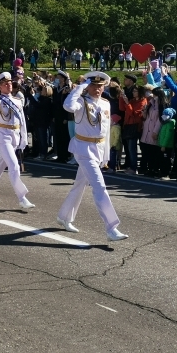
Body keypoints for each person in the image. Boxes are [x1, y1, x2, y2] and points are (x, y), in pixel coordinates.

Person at [56, 71, 128, 241]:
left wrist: (105, 155)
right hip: (83, 149)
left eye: (100, 86)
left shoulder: (105, 103)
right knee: (99, 186)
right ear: (88, 86)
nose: (97, 89)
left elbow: (105, 131)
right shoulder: (80, 102)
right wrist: (79, 88)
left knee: (79, 186)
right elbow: (68, 106)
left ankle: (64, 216)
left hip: (97, 149)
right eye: (94, 86)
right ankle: (111, 227)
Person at [0, 72, 35, 209]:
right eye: (5, 83)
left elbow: (22, 121)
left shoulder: (18, 101)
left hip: (16, 135)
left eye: (9, 83)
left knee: (0, 165)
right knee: (14, 166)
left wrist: (24, 138)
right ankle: (22, 197)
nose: (8, 85)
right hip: (3, 136)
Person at [118, 84, 146, 174]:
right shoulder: (133, 101)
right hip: (128, 125)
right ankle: (130, 166)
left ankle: (134, 168)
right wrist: (122, 98)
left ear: (139, 92)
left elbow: (133, 114)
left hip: (135, 126)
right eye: (133, 91)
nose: (133, 93)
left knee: (132, 148)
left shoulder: (142, 101)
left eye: (135, 91)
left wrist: (127, 103)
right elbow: (122, 108)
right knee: (128, 148)